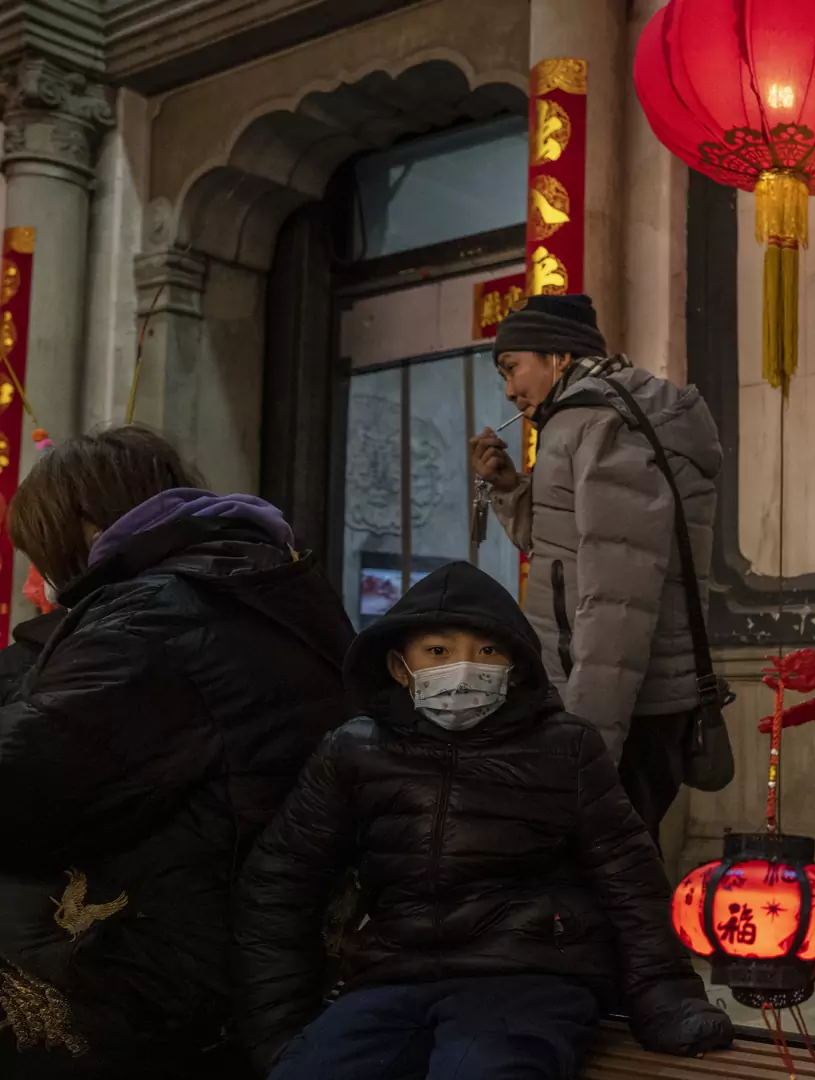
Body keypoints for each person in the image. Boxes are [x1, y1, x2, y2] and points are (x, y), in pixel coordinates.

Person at [234, 561, 732, 1080]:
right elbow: (280, 880)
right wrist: (279, 1029)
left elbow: (630, 877)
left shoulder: (565, 748)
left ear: (515, 665)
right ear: (399, 667)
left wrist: (667, 998)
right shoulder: (354, 750)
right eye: (438, 651)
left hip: (529, 974)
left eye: (488, 651)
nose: (464, 668)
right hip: (390, 977)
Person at [0, 427, 354, 1080]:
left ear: (83, 526)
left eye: (44, 551)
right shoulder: (260, 586)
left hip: (153, 972)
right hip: (257, 950)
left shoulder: (158, 617)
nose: (46, 578)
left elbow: (21, 777)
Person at [469, 295, 722, 835]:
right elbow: (571, 552)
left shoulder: (599, 423)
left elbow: (616, 597)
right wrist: (511, 489)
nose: (510, 389)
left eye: (512, 367)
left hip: (620, 705)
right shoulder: (597, 417)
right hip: (627, 698)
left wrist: (588, 747)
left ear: (559, 356)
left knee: (609, 869)